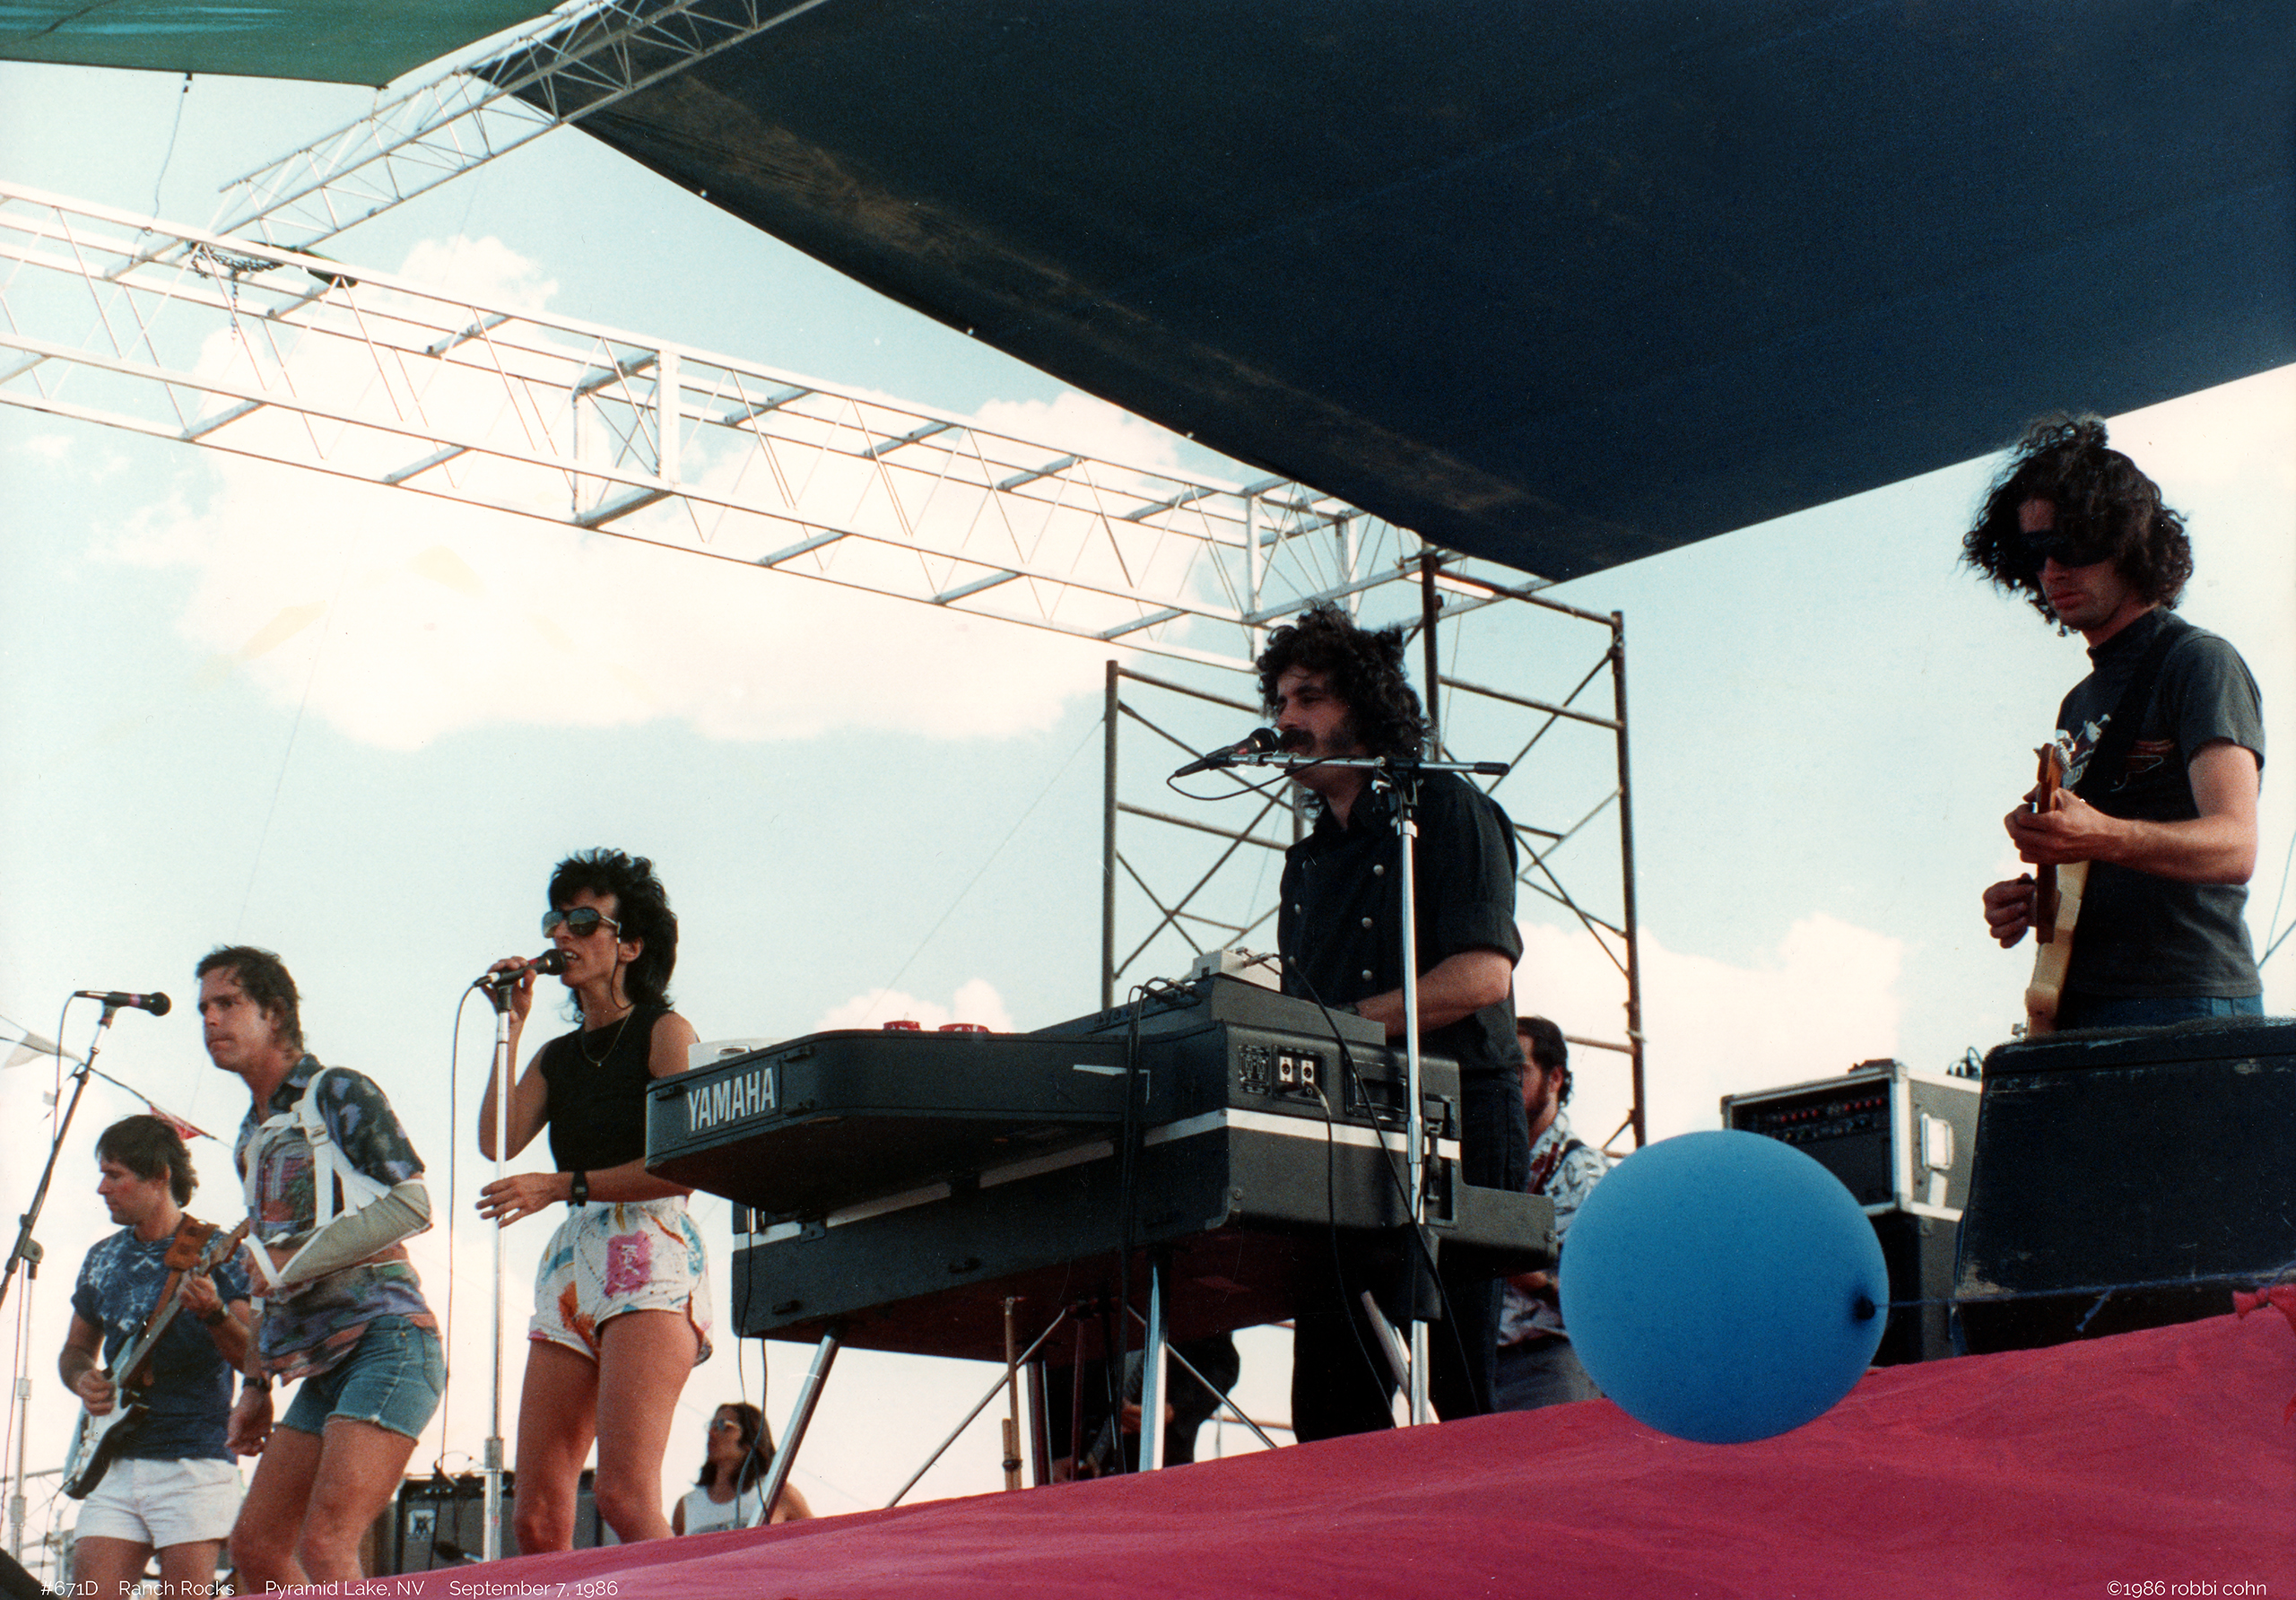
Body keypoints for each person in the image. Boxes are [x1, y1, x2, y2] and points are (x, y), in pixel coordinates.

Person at [1260, 604, 1531, 1439]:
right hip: (1345, 1135)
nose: (1287, 719)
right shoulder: (1307, 862)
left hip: (1457, 1122)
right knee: (1330, 1411)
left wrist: (1341, 1026)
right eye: (1280, 701)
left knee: (1453, 1394)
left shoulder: (1446, 809)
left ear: (1366, 706)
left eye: (1309, 698)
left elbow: (1481, 976)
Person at [1964, 416, 2265, 1029]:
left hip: (2187, 999)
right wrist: (2034, 900)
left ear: (2126, 542)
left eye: (2072, 546)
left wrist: (2099, 834)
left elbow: (2235, 846)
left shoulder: (2199, 662)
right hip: (2081, 1002)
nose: (2052, 570)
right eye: (2035, 552)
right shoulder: (2077, 702)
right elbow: (2100, 856)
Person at [478, 849, 709, 1550]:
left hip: (649, 1246)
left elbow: (682, 1168)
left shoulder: (666, 1033)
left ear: (629, 945)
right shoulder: (556, 1055)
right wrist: (511, 1025)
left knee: (624, 1495)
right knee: (537, 1516)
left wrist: (562, 1185)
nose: (561, 935)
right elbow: (496, 1139)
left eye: (583, 921)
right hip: (574, 1260)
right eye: (556, 920)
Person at [200, 945, 444, 1589]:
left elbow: (412, 1204)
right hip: (320, 1367)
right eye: (204, 1009)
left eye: (228, 1003)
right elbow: (268, 1276)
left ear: (276, 1014)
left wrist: (293, 1257)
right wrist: (255, 1386)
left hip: (388, 1342)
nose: (211, 1020)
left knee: (328, 1544)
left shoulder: (335, 1090)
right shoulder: (250, 1137)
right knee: (256, 1546)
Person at [58, 1116, 253, 1598]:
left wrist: (214, 1314)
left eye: (115, 1175)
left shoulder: (219, 1251)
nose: (102, 1188)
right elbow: (76, 1350)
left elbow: (254, 1356)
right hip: (115, 1461)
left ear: (160, 1175)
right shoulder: (101, 1257)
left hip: (192, 1460)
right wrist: (83, 1378)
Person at [1493, 1018, 1607, 1411]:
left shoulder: (1584, 1171)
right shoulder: (1491, 1160)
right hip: (1483, 1365)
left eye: (1519, 1071)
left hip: (1549, 1367)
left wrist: (1532, 1280)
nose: (1506, 1083)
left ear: (1554, 1078)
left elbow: (1604, 1300)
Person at [670, 1403, 813, 1533]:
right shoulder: (687, 1506)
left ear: (750, 1440)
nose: (711, 1433)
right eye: (711, 1425)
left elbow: (818, 1542)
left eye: (722, 1425)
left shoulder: (778, 1495)